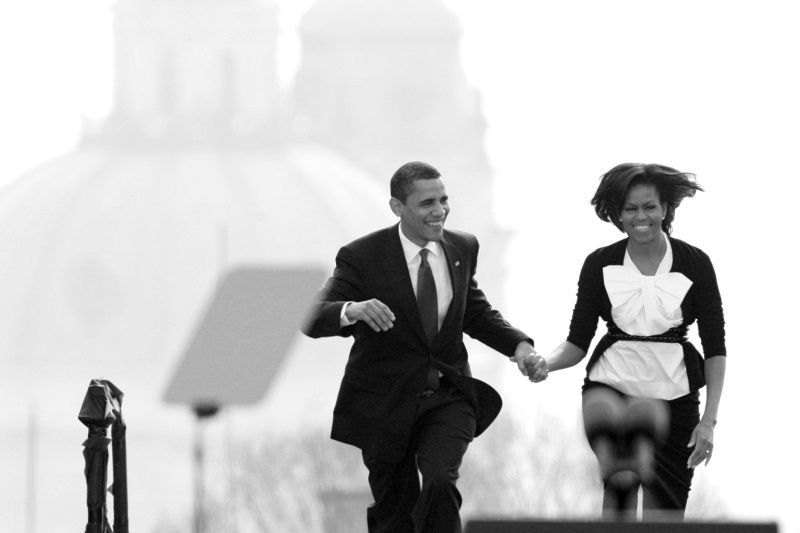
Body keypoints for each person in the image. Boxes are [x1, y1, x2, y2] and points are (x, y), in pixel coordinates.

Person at [302, 161, 544, 533]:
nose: (440, 211)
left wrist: (520, 346)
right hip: (386, 402)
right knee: (395, 513)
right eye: (427, 203)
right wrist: (353, 310)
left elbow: (475, 313)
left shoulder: (463, 247)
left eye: (443, 200)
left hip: (448, 394)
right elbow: (310, 316)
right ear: (397, 207)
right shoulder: (362, 256)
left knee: (440, 481)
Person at [531, 163, 726, 518]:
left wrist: (709, 421)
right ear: (618, 214)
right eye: (630, 208)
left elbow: (715, 347)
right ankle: (622, 465)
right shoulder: (598, 263)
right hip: (611, 389)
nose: (641, 217)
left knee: (665, 512)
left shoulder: (696, 263)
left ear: (665, 209)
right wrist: (546, 362)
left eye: (649, 207)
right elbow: (576, 341)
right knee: (619, 501)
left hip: (676, 396)